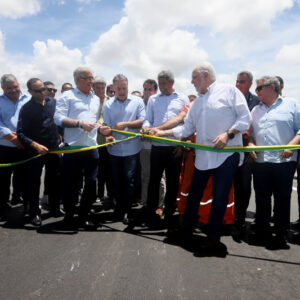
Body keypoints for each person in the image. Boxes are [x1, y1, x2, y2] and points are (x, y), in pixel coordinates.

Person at [152, 62, 251, 250]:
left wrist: (228, 134)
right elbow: (186, 129)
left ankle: (213, 238)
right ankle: (186, 230)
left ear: (206, 76)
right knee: (194, 193)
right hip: (204, 157)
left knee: (220, 196)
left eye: (194, 77)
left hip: (226, 155)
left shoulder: (229, 91)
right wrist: (161, 132)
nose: (191, 81)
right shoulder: (197, 102)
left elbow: (245, 119)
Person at [249, 76, 300, 249]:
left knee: (282, 199)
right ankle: (262, 232)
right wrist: (250, 144)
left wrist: (292, 145)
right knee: (262, 199)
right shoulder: (255, 110)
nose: (256, 93)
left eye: (259, 89)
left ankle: (280, 234)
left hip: (284, 162)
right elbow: (251, 134)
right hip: (261, 162)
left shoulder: (291, 104)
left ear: (271, 87)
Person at [54, 66, 108, 229]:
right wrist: (79, 124)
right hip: (73, 148)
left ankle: (84, 215)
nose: (92, 81)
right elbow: (58, 118)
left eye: (92, 78)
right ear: (78, 80)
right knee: (70, 184)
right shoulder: (67, 96)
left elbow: (94, 121)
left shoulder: (95, 99)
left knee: (91, 184)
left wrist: (100, 128)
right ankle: (69, 216)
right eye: (89, 78)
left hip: (91, 147)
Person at [142, 70, 190, 230]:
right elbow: (148, 118)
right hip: (157, 147)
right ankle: (151, 212)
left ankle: (169, 212)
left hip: (174, 148)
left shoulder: (183, 99)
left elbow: (185, 124)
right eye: (160, 83)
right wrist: (146, 128)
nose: (161, 86)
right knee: (154, 180)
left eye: (164, 83)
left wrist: (181, 144)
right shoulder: (153, 99)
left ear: (172, 82)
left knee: (173, 181)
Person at [17, 78, 62, 226]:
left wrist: (61, 138)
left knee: (55, 179)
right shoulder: (26, 109)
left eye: (44, 89)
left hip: (54, 148)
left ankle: (55, 208)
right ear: (30, 92)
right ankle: (35, 213)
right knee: (34, 182)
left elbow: (59, 121)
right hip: (37, 151)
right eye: (38, 90)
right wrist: (36, 146)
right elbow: (21, 133)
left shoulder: (52, 103)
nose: (43, 92)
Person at [103, 74, 145, 225]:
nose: (122, 91)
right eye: (118, 88)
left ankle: (127, 210)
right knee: (116, 181)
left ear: (128, 86)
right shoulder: (108, 105)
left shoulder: (137, 101)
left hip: (132, 149)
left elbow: (142, 120)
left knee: (129, 181)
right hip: (114, 150)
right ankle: (118, 209)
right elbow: (107, 126)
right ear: (113, 88)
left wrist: (124, 124)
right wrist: (108, 135)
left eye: (124, 88)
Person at [0, 74, 30, 221]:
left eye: (15, 87)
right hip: (4, 147)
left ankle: (27, 206)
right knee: (2, 179)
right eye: (8, 88)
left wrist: (22, 138)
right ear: (2, 88)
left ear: (19, 85)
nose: (13, 90)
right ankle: (3, 206)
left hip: (25, 146)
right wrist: (10, 135)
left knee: (25, 177)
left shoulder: (29, 100)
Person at [234, 71, 260, 236]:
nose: (237, 85)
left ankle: (240, 219)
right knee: (227, 186)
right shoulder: (231, 98)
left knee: (243, 186)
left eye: (241, 82)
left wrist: (253, 147)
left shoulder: (257, 103)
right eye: (236, 81)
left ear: (250, 84)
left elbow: (259, 128)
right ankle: (227, 217)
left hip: (247, 152)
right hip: (230, 149)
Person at [93, 76, 114, 209]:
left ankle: (110, 197)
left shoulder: (111, 102)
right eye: (98, 88)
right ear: (93, 88)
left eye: (102, 88)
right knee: (97, 173)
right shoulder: (89, 102)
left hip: (108, 143)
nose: (100, 90)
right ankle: (98, 195)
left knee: (109, 172)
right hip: (94, 143)